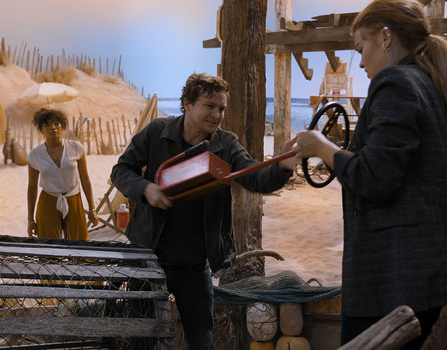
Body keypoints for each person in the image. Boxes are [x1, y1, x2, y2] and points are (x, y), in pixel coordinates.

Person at [290, 0, 447, 348]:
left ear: (386, 37)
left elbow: (374, 177)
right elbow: (391, 164)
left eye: (361, 49)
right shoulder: (429, 83)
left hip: (393, 283)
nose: (359, 64)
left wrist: (321, 147)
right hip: (430, 279)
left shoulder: (396, 83)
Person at [110, 73, 297, 349]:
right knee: (143, 339)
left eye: (221, 108)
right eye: (210, 106)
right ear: (187, 103)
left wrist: (282, 167)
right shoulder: (156, 132)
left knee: (201, 340)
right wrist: (146, 189)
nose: (217, 114)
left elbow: (255, 178)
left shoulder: (226, 145)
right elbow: (120, 171)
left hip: (193, 264)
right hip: (147, 256)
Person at [27, 108, 98, 240]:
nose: (53, 128)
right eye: (47, 125)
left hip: (74, 199)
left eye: (56, 123)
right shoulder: (35, 155)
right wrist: (30, 220)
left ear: (62, 125)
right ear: (41, 129)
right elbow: (32, 187)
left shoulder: (76, 148)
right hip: (48, 201)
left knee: (80, 245)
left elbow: (85, 179)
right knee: (50, 249)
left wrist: (92, 209)